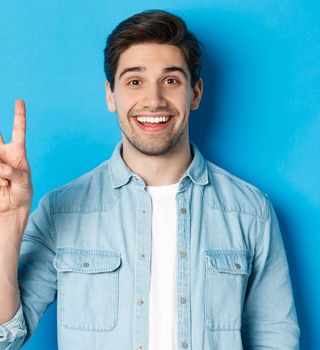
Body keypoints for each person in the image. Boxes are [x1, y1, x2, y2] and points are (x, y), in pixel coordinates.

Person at [0, 9, 299, 350]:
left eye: (170, 80)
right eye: (134, 81)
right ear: (111, 95)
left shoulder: (250, 211)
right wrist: (8, 228)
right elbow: (7, 337)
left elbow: (276, 339)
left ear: (196, 93)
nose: (154, 99)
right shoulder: (60, 211)